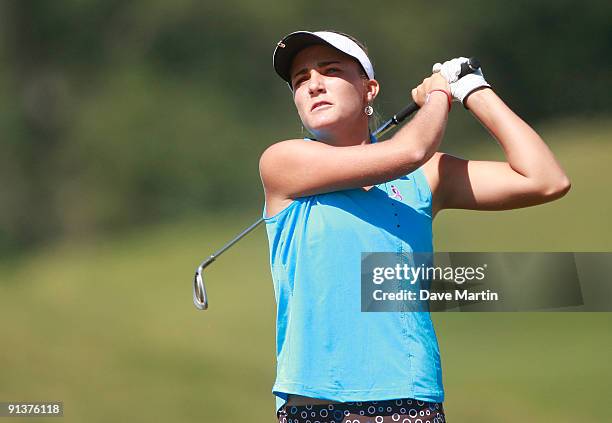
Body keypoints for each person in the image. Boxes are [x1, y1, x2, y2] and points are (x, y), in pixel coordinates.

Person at [259, 30, 570, 423]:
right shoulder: (283, 162)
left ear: (369, 90)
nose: (313, 85)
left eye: (330, 70)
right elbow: (408, 150)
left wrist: (473, 89)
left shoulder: (427, 176)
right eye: (301, 79)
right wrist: (440, 94)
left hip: (412, 399)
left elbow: (546, 179)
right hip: (318, 405)